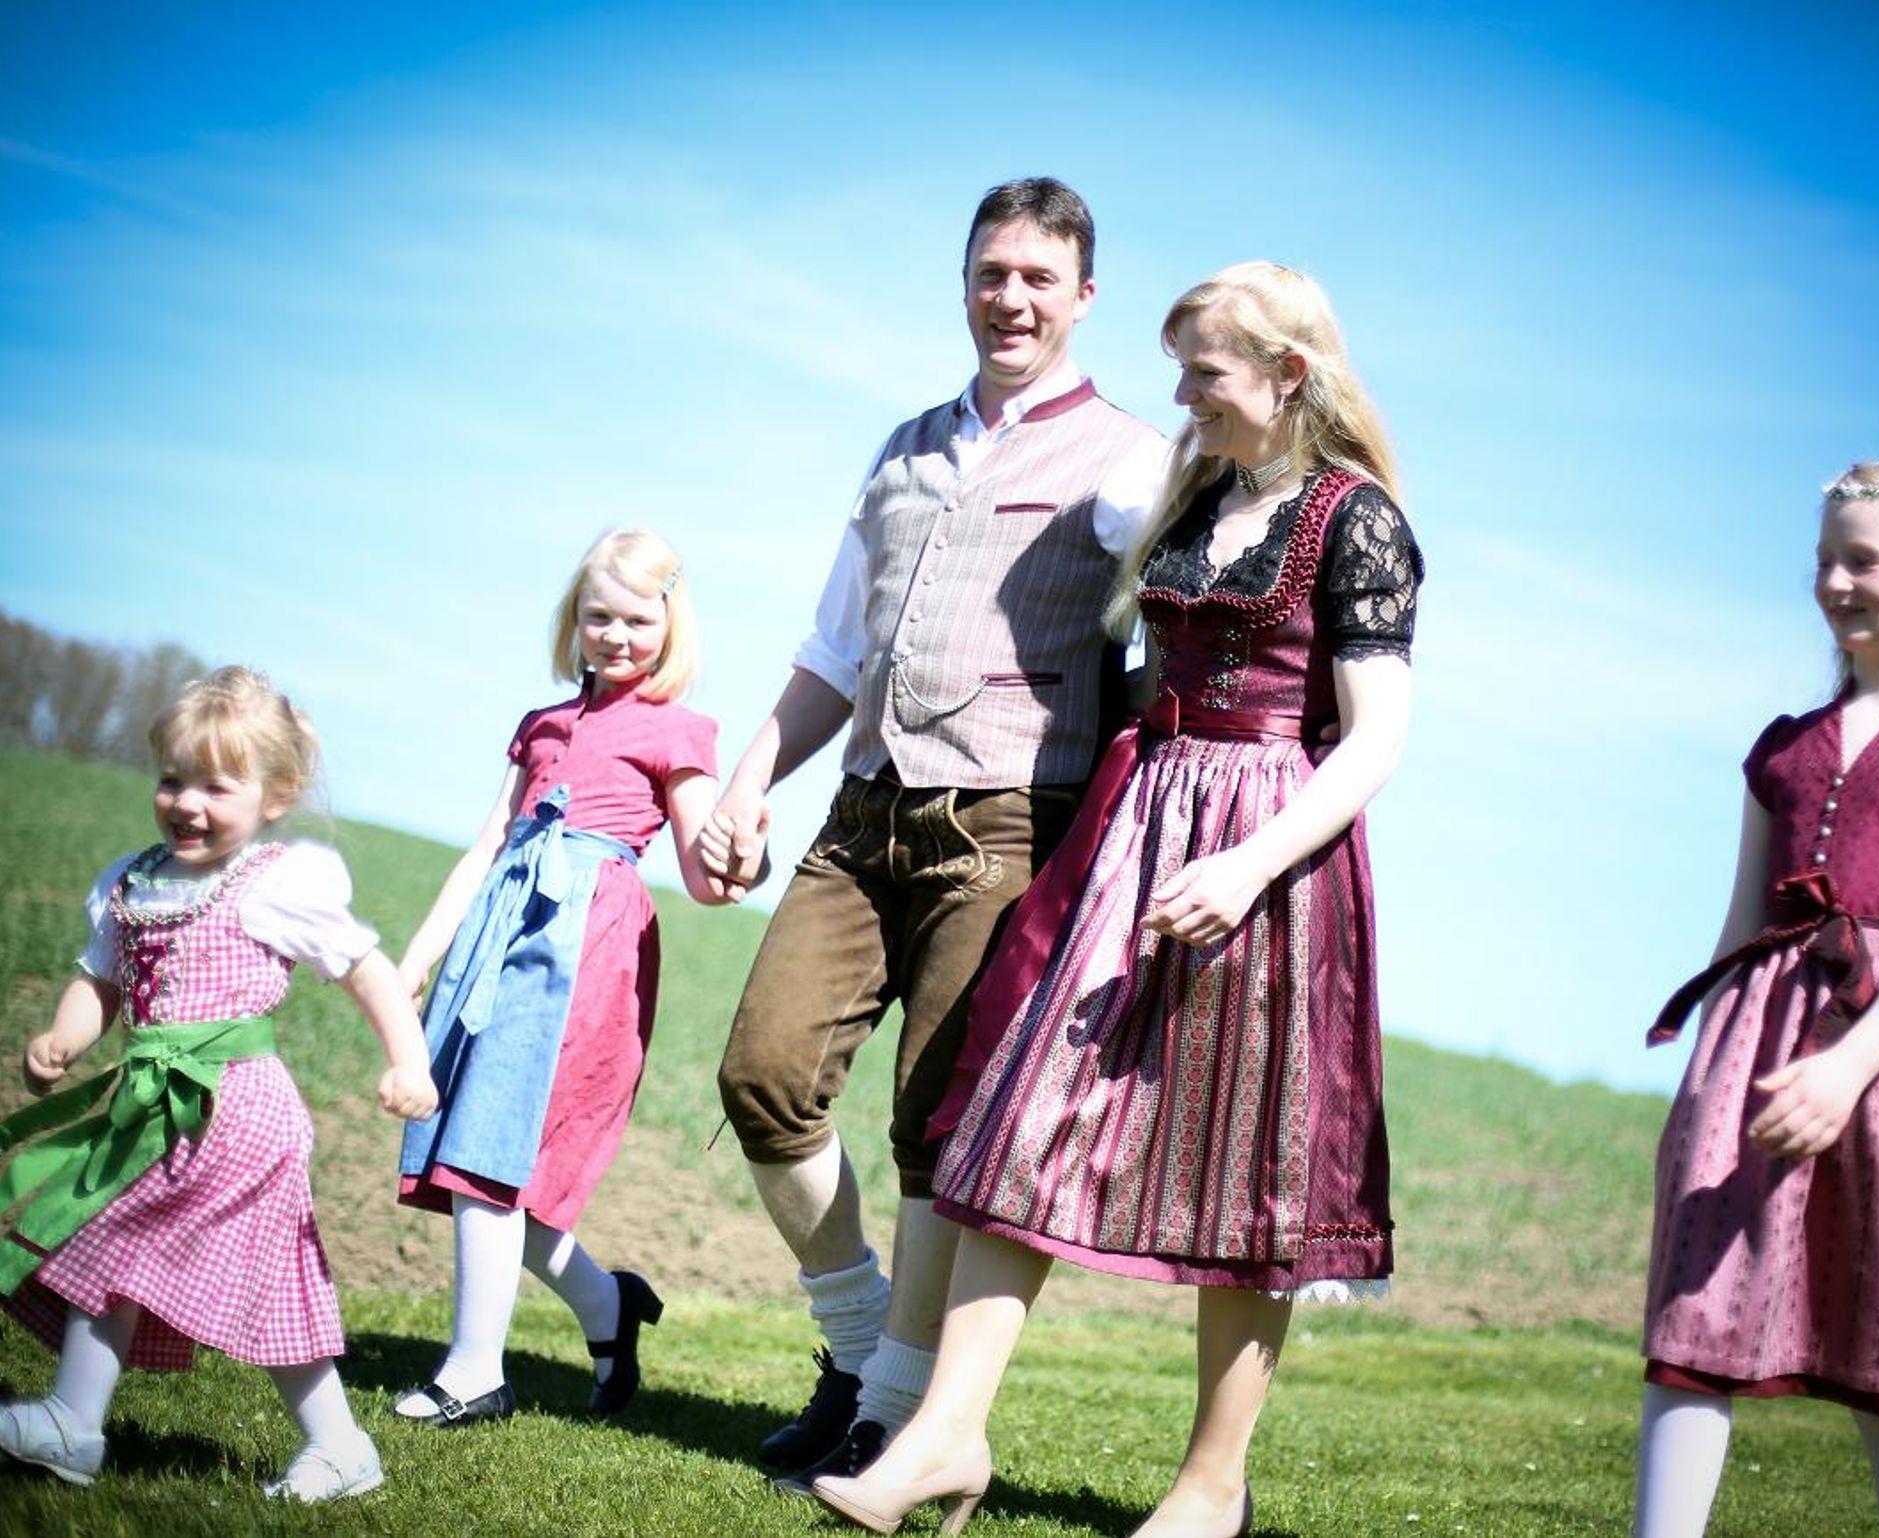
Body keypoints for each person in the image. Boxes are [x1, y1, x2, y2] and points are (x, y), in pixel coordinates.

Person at [810, 260, 1422, 1538]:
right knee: (1022, 1113)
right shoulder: (1200, 494)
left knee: (1244, 1170)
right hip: (1138, 827)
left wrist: (1245, 865)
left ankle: (1209, 1488)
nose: (1183, 395)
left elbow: (1372, 738)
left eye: (1204, 371)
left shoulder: (1355, 518)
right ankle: (945, 1435)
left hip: (1264, 854)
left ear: (1287, 374)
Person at [696, 176, 1168, 1489]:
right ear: (963, 283)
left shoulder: (1131, 460)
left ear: (1083, 296)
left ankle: (895, 1411)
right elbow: (834, 647)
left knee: (935, 1125)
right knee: (763, 1075)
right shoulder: (902, 448)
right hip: (862, 812)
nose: (1009, 298)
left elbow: (1182, 631)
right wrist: (747, 781)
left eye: (1037, 277)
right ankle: (861, 1348)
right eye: (989, 273)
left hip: (1013, 818)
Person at [1632, 462, 1879, 1538]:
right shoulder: (1781, 747)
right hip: (1753, 1049)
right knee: (1692, 1318)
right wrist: (1706, 1082)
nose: (1834, 581)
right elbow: (1737, 928)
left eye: (1861, 560)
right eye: (1823, 560)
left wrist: (1847, 1068)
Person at [0, 666, 439, 1501]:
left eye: (216, 787)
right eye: (173, 780)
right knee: (243, 1276)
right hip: (153, 1108)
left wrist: (408, 1061)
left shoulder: (274, 883)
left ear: (276, 796)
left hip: (237, 1112)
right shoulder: (132, 881)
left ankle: (73, 1421)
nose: (187, 804)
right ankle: (337, 1446)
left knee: (115, 1237)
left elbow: (366, 970)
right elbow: (100, 978)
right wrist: (63, 1037)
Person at [392, 529, 720, 1425]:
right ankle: (611, 1306)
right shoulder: (541, 726)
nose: (615, 634)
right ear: (573, 621)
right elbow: (486, 848)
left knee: (490, 1155)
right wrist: (417, 959)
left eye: (637, 619)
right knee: (487, 1159)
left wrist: (743, 855)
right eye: (597, 615)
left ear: (671, 624)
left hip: (585, 955)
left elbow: (707, 875)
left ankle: (474, 1373)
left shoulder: (679, 730)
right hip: (496, 940)